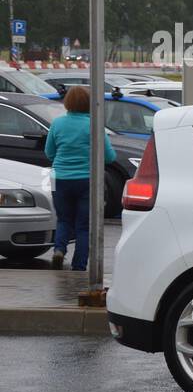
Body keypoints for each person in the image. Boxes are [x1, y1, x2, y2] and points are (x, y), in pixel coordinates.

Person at [44, 85, 116, 270]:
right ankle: (79, 266)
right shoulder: (94, 125)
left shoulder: (57, 123)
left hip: (59, 178)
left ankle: (59, 249)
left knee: (63, 219)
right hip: (87, 180)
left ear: (67, 102)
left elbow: (49, 152)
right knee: (84, 226)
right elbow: (110, 157)